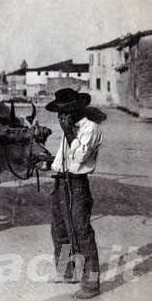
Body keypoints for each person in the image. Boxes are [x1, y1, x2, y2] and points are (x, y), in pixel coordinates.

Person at [45, 88, 103, 299]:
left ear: (76, 110)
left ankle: (91, 284)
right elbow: (64, 159)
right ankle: (66, 272)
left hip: (77, 185)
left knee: (82, 233)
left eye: (65, 112)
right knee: (59, 230)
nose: (60, 116)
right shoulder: (69, 125)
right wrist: (49, 164)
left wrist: (69, 132)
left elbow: (79, 158)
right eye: (59, 112)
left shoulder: (90, 128)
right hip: (60, 183)